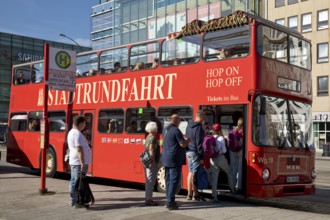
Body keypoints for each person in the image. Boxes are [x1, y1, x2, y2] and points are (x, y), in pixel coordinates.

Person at [162, 114, 191, 210]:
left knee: (168, 180)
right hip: (175, 159)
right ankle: (170, 202)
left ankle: (169, 200)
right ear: (176, 120)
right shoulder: (176, 130)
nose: (180, 122)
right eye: (179, 120)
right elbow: (182, 144)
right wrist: (188, 140)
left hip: (166, 158)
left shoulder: (165, 129)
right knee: (174, 181)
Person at [67, 115, 91, 208]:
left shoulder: (72, 132)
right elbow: (79, 149)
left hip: (74, 161)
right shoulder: (76, 133)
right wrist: (82, 163)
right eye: (84, 123)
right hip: (78, 162)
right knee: (77, 182)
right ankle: (75, 201)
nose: (85, 125)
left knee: (74, 181)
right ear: (81, 123)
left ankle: (75, 200)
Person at [209, 123, 235, 202]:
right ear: (220, 130)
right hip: (220, 158)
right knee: (229, 172)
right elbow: (224, 150)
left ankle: (214, 196)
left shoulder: (211, 137)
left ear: (213, 130)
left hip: (212, 159)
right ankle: (233, 189)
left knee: (214, 178)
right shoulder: (221, 138)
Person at [185, 110, 206, 201]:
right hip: (195, 153)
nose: (205, 119)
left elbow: (186, 138)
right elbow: (199, 144)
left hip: (189, 151)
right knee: (195, 173)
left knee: (190, 172)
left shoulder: (189, 126)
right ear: (201, 117)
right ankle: (195, 194)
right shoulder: (199, 128)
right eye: (204, 117)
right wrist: (201, 157)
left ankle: (189, 194)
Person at [143, 121, 160, 206]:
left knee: (148, 180)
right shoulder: (153, 138)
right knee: (150, 180)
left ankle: (148, 198)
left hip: (146, 160)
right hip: (151, 161)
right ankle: (149, 200)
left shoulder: (147, 137)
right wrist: (152, 161)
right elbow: (151, 150)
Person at [230, 117, 244, 193]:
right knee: (240, 169)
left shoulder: (234, 130)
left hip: (233, 151)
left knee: (234, 169)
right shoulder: (244, 131)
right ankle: (239, 187)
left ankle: (232, 186)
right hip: (240, 151)